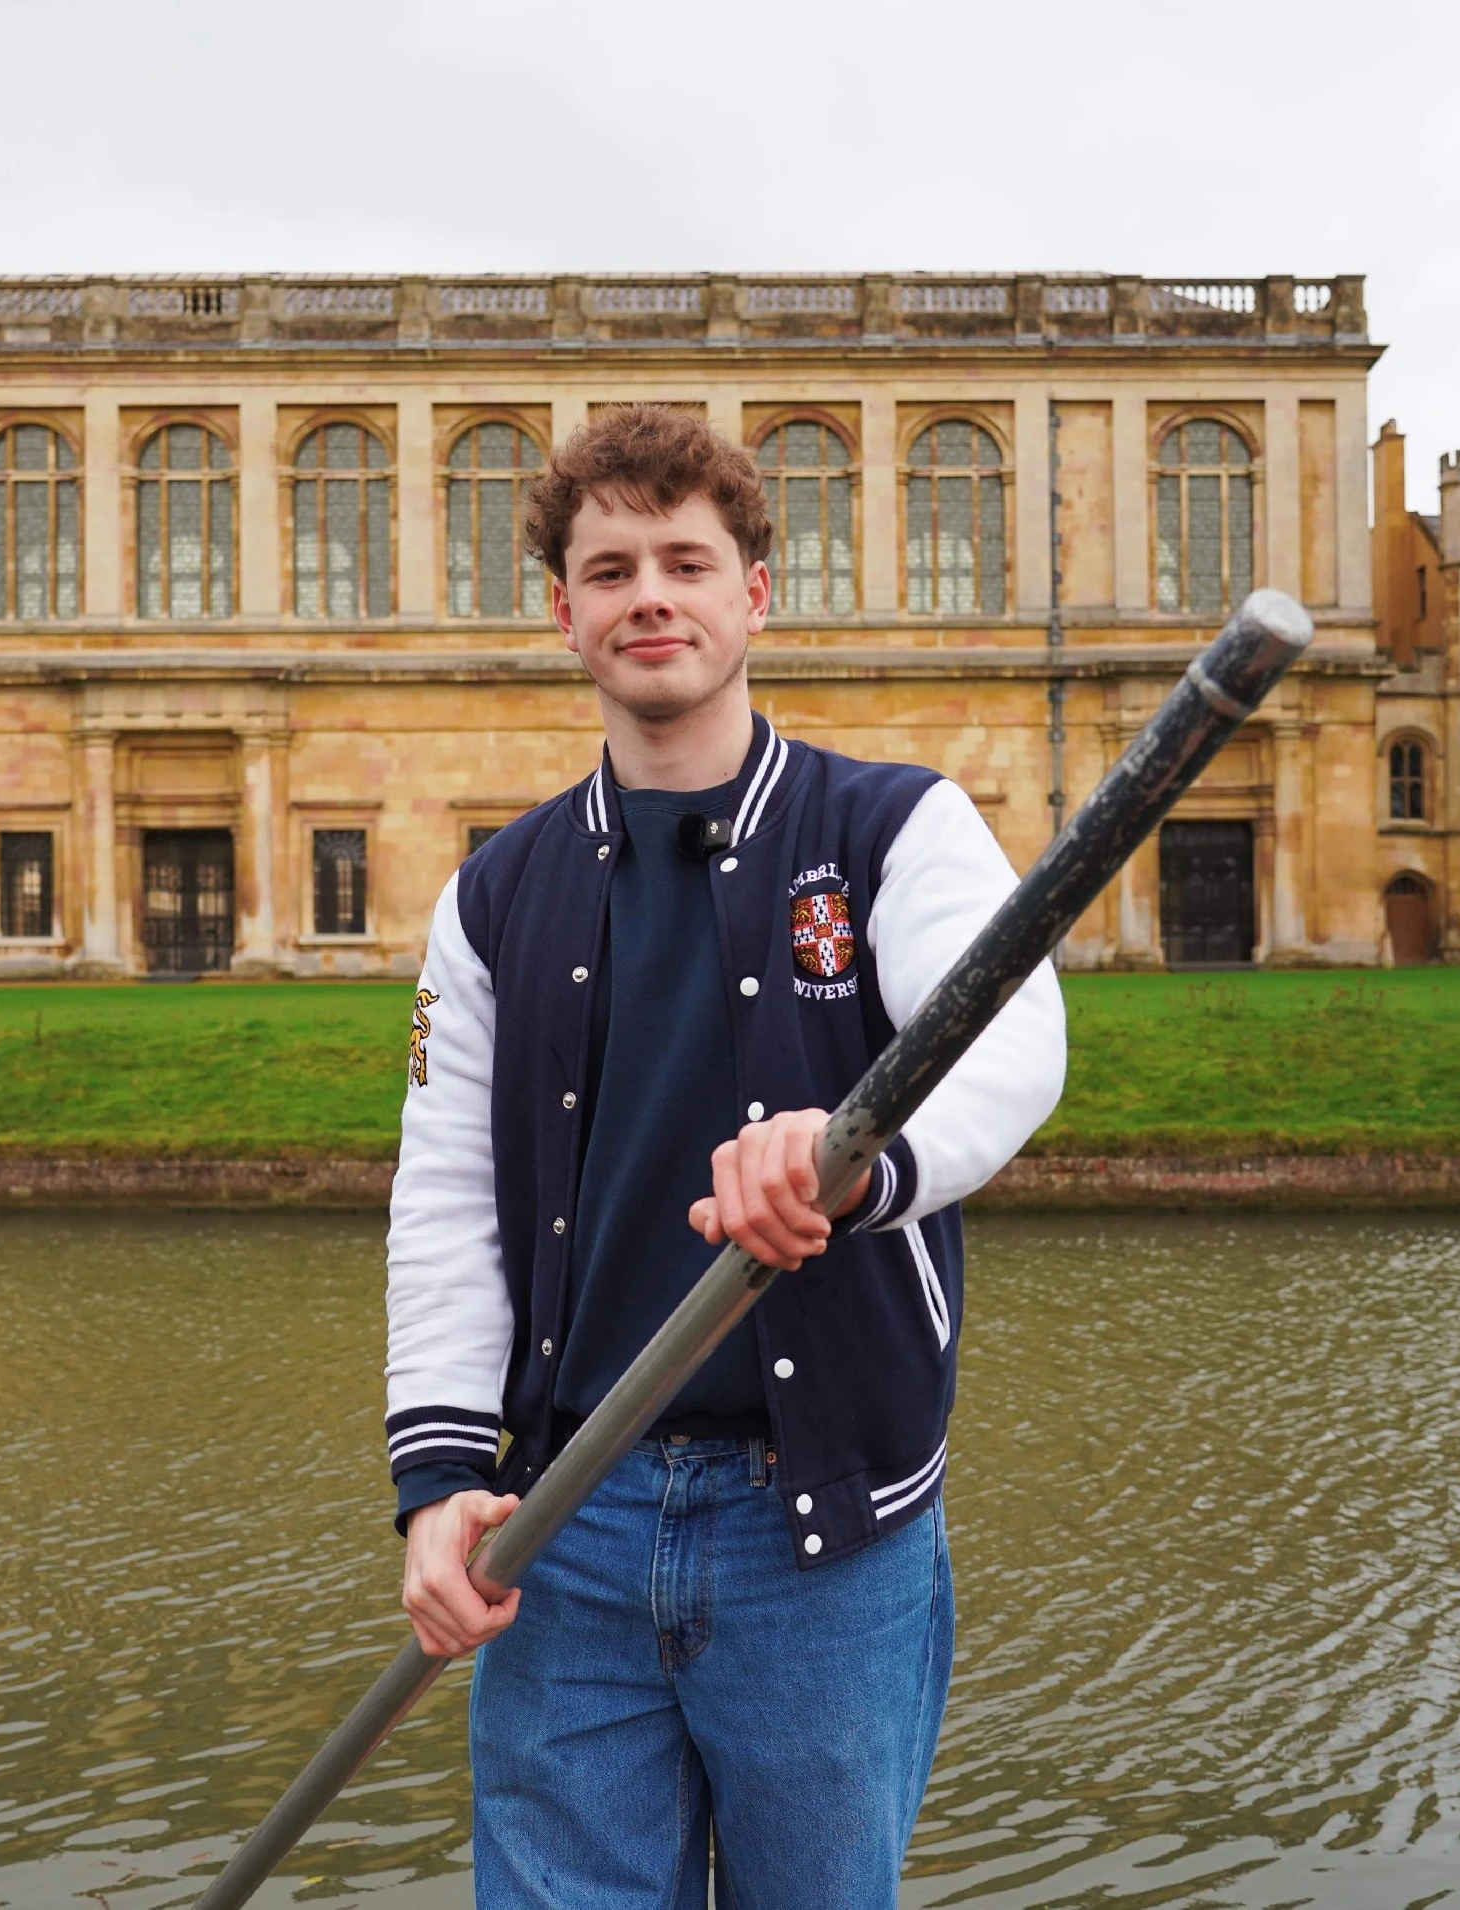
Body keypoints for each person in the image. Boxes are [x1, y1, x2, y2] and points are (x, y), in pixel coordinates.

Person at [385, 404, 1066, 1908]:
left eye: (685, 563)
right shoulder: (490, 896)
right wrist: (437, 1481)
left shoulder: (896, 825)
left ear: (755, 593)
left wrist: (857, 1151)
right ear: (562, 612)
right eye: (610, 569)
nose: (650, 597)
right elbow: (444, 1196)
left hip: (820, 1531)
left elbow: (1010, 1040)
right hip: (562, 1523)